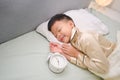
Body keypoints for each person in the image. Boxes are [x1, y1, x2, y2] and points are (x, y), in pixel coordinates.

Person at [48, 14, 117, 79]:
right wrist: (62, 52)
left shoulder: (85, 38)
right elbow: (87, 63)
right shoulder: (74, 41)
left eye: (59, 30)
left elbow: (103, 68)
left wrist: (76, 54)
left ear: (71, 24)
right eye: (56, 36)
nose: (58, 35)